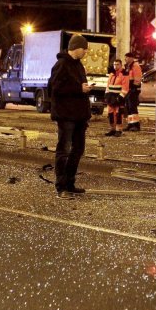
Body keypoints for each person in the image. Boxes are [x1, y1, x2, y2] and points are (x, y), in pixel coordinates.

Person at [48, 33, 92, 199]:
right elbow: (55, 89)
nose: (86, 51)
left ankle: (70, 183)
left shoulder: (78, 65)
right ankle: (61, 187)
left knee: (78, 150)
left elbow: (75, 86)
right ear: (77, 48)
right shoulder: (62, 65)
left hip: (79, 115)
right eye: (84, 48)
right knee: (64, 150)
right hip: (66, 115)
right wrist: (79, 89)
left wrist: (84, 89)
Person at [104, 58, 129, 137]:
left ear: (121, 65)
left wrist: (120, 97)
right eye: (114, 64)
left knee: (119, 114)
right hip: (111, 97)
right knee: (111, 114)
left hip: (118, 97)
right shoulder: (112, 74)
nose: (115, 66)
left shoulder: (124, 74)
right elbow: (108, 86)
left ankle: (119, 130)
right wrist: (106, 95)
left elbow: (125, 88)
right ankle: (113, 129)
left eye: (117, 64)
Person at [123, 52, 142, 131]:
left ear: (131, 58)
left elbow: (137, 79)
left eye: (126, 57)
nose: (125, 59)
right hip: (129, 89)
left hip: (133, 89)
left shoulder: (135, 66)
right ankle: (130, 124)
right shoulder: (128, 66)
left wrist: (133, 87)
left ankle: (136, 125)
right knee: (129, 108)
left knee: (132, 108)